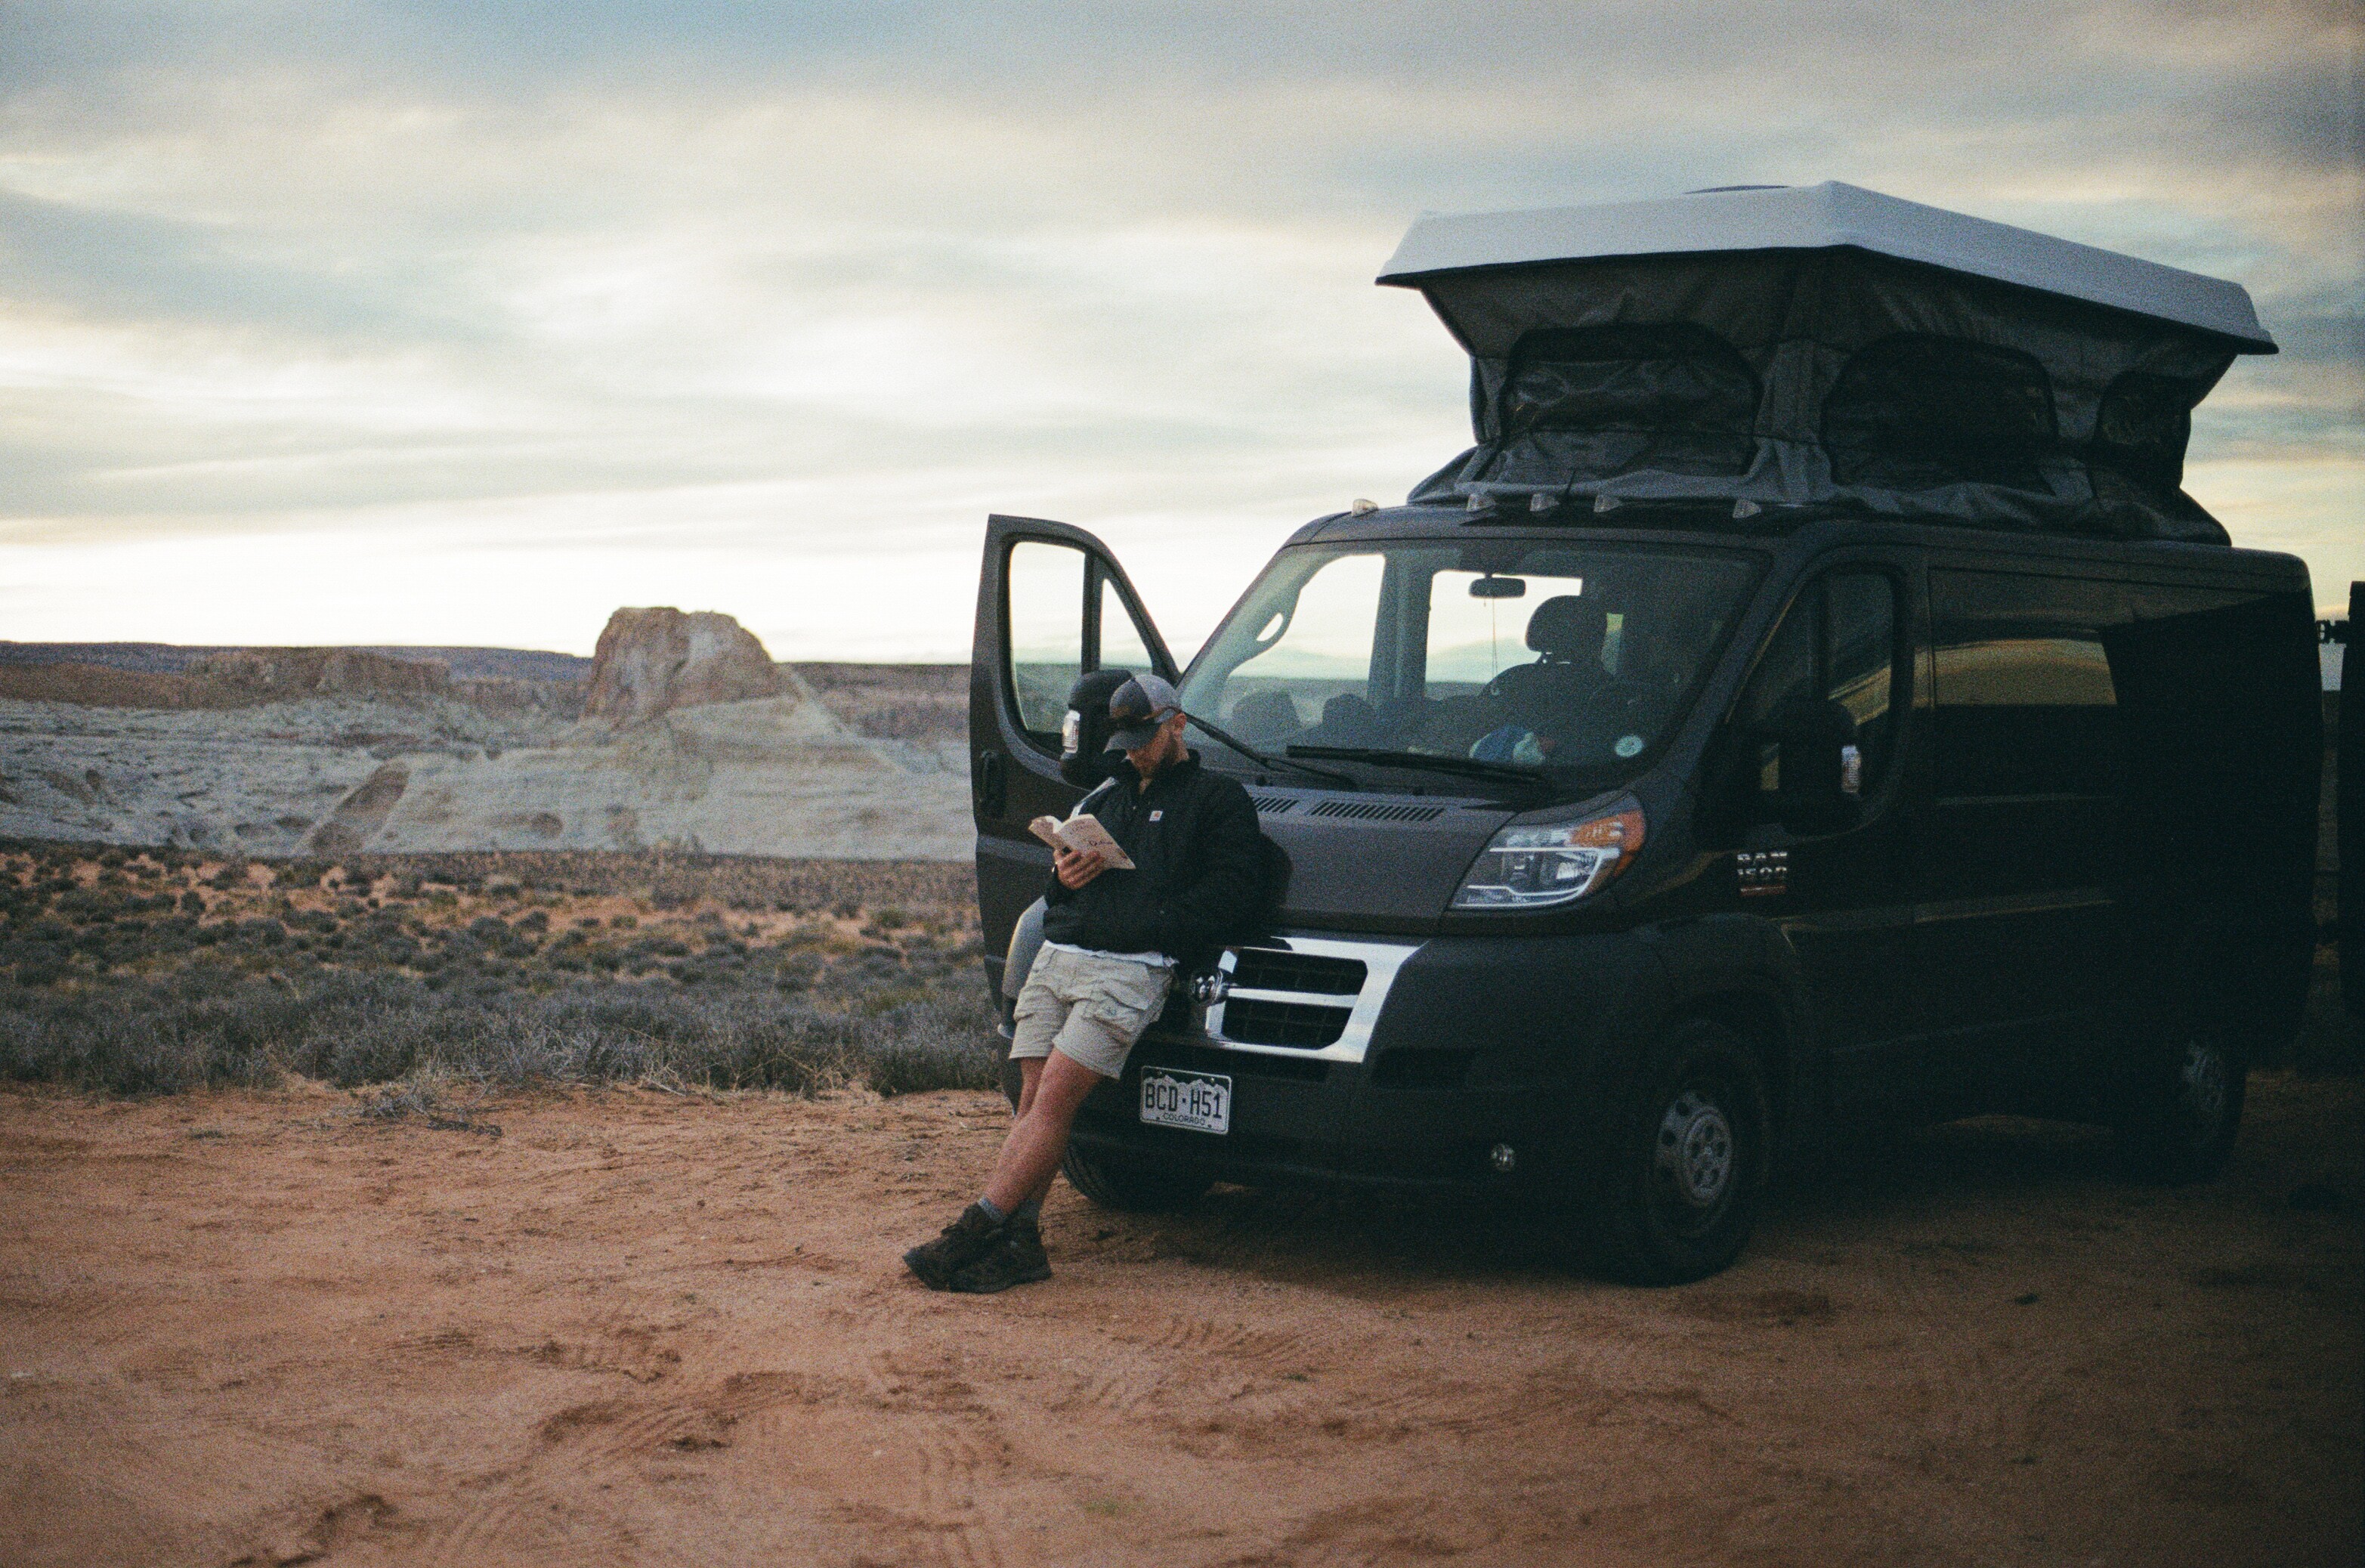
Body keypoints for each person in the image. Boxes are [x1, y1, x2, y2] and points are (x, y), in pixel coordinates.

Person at [902, 673, 1264, 1294]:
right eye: (1123, 740)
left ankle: (973, 1228)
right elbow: (1053, 892)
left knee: (1056, 1099)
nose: (1130, 751)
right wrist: (1065, 877)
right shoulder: (1102, 799)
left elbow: (1233, 891)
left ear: (1176, 723)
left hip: (1131, 968)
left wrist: (1157, 923)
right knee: (1033, 1095)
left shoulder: (1216, 799)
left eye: (1143, 737)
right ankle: (1023, 1240)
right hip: (1065, 953)